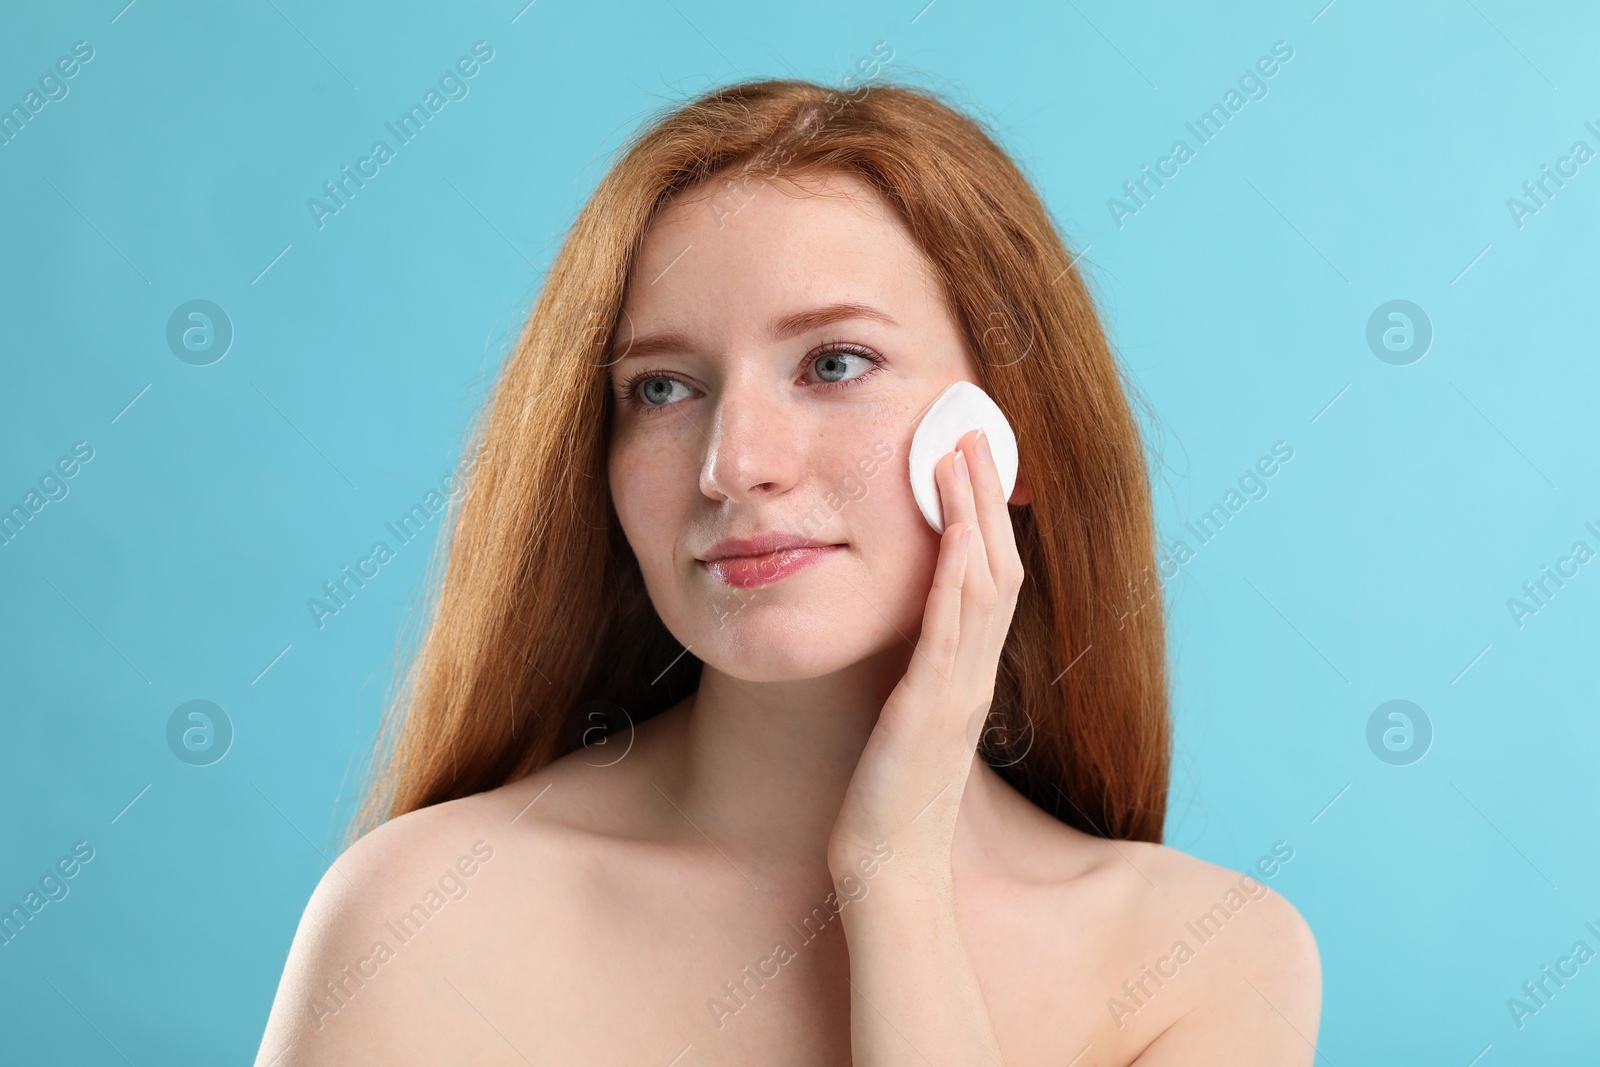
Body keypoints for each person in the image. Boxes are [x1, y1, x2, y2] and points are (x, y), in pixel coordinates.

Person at [254, 76, 1320, 1065]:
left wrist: (894, 881)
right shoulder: (421, 913)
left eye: (834, 364)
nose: (733, 465)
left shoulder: (1210, 955)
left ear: (1010, 436)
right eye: (663, 389)